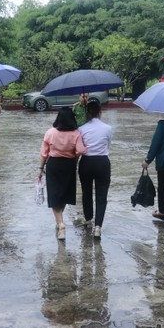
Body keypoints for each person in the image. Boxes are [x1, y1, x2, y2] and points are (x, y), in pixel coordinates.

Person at [38, 108, 87, 240]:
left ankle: (60, 223)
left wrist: (40, 168)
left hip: (54, 165)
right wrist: (74, 155)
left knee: (54, 195)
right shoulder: (76, 133)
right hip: (69, 165)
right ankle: (59, 221)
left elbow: (44, 153)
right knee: (65, 193)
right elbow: (81, 150)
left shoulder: (50, 132)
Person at [77, 101, 112, 238]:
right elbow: (108, 145)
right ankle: (98, 227)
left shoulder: (81, 129)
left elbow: (80, 147)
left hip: (86, 162)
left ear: (87, 113)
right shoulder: (108, 128)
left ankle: (88, 219)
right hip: (102, 162)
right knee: (102, 195)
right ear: (100, 112)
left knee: (86, 192)